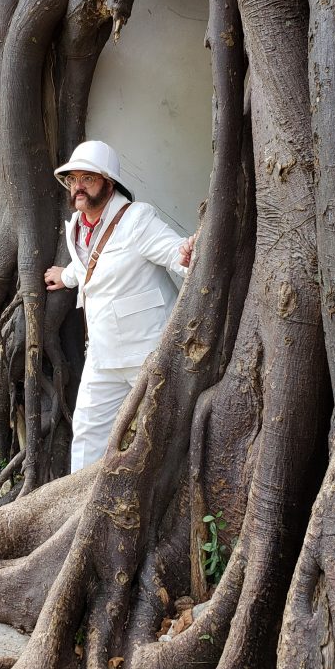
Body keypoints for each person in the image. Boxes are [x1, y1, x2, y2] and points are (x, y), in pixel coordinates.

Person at [45, 140, 195, 472]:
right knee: (87, 434)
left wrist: (187, 254)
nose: (78, 186)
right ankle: (81, 511)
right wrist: (67, 276)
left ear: (108, 183)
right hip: (101, 351)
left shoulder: (137, 219)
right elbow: (91, 266)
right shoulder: (78, 227)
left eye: (88, 178)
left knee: (161, 434)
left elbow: (172, 251)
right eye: (73, 179)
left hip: (147, 352)